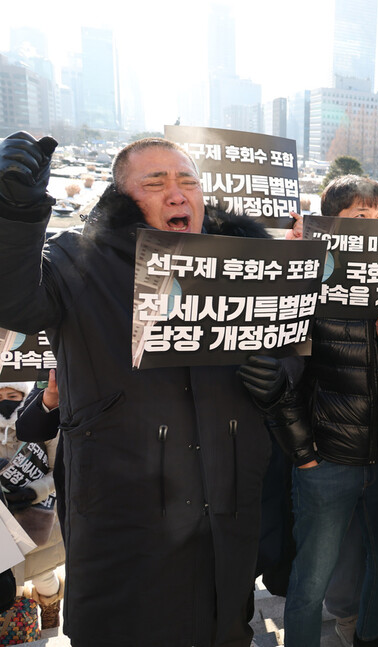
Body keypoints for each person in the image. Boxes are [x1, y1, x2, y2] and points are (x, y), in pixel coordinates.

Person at [0, 132, 276, 647]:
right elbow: (13, 302)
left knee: (224, 620)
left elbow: (287, 343)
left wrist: (280, 377)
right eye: (156, 182)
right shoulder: (77, 259)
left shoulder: (242, 264)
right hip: (125, 504)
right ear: (121, 196)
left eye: (187, 181)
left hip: (227, 490)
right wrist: (16, 212)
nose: (178, 193)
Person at [241, 175, 378, 647]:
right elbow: (274, 379)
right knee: (311, 580)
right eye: (360, 217)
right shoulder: (302, 286)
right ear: (329, 225)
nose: (374, 227)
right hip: (325, 462)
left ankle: (367, 637)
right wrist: (305, 455)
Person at [0, 380, 63, 629]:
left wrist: (33, 491)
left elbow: (59, 468)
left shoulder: (42, 421)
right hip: (2, 518)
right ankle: (13, 620)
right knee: (7, 571)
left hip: (39, 515)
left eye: (12, 394)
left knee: (42, 573)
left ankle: (51, 603)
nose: (5, 399)